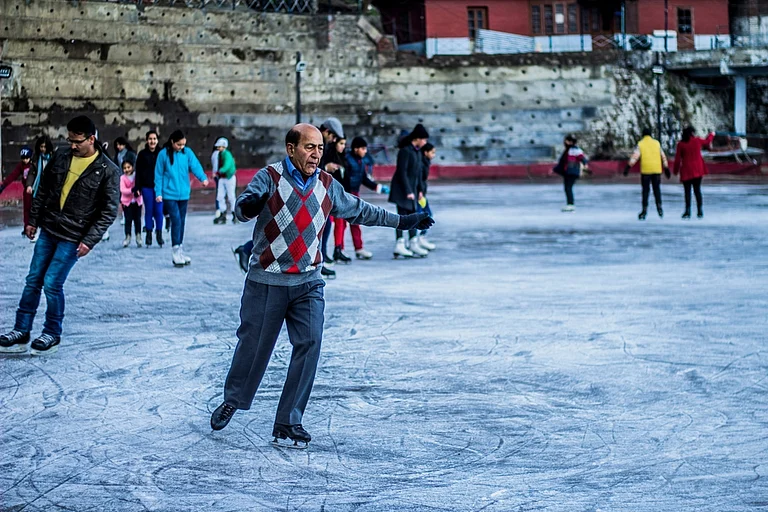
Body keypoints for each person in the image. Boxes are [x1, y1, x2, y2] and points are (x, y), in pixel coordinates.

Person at [209, 124, 434, 447]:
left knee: (310, 343)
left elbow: (360, 210)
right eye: (308, 147)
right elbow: (245, 207)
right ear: (291, 149)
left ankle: (288, 419)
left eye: (319, 148)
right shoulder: (270, 177)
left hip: (308, 282)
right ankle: (235, 398)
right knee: (254, 346)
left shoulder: (327, 185)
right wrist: (251, 205)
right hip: (266, 281)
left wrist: (403, 220)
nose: (316, 154)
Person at [0, 116, 120, 355]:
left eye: (77, 141)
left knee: (52, 283)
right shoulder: (62, 156)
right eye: (70, 140)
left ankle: (52, 332)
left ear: (91, 139)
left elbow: (109, 212)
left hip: (73, 236)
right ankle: (21, 329)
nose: (72, 145)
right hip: (50, 229)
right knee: (33, 279)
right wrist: (33, 221)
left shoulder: (107, 171)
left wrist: (89, 240)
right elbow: (43, 189)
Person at [154, 130, 209, 267]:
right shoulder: (163, 154)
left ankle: (180, 249)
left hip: (184, 193)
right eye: (179, 145)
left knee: (182, 221)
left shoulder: (187, 152)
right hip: (169, 194)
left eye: (183, 144)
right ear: (172, 142)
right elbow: (158, 174)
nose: (181, 147)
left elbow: (195, 165)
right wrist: (158, 192)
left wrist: (202, 177)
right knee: (176, 220)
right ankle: (175, 250)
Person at [337, 136, 390, 260]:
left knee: (356, 222)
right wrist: (344, 196)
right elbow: (343, 179)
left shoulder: (361, 161)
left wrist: (378, 187)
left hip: (355, 194)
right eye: (363, 148)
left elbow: (364, 179)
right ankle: (340, 249)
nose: (365, 151)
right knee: (342, 224)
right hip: (346, 195)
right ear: (356, 149)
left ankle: (359, 248)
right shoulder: (347, 160)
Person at [389, 123, 430, 258]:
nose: (425, 142)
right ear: (417, 138)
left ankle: (413, 241)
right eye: (424, 139)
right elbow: (402, 172)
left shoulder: (417, 152)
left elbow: (418, 174)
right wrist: (408, 191)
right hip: (402, 190)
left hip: (413, 189)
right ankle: (399, 243)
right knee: (402, 216)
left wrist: (419, 191)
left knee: (413, 215)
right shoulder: (405, 151)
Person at [624, 128, 671, 220]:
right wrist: (666, 168)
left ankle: (644, 210)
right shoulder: (657, 143)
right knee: (657, 189)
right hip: (657, 170)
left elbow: (635, 157)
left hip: (646, 170)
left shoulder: (641, 144)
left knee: (645, 191)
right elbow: (663, 156)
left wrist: (628, 167)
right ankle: (659, 207)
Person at [674, 126, 715, 219]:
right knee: (697, 190)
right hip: (697, 169)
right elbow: (707, 141)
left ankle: (687, 211)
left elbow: (677, 159)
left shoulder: (681, 144)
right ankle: (700, 210)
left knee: (687, 192)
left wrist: (675, 171)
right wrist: (711, 135)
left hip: (686, 170)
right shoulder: (697, 141)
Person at [135, 130, 163, 247]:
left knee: (159, 211)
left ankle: (159, 234)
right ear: (147, 140)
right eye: (150, 139)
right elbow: (139, 172)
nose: (152, 141)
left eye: (154, 139)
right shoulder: (142, 154)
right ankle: (149, 234)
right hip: (146, 187)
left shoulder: (162, 153)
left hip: (159, 187)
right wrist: (137, 187)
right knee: (149, 211)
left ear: (157, 140)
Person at [0, 146, 35, 233]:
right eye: (23, 158)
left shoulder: (34, 164)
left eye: (27, 158)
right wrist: (3, 185)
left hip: (36, 189)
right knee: (26, 209)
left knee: (36, 209)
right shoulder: (21, 166)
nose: (25, 160)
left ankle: (35, 226)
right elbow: (13, 175)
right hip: (27, 190)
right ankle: (27, 227)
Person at [552, 134, 589, 212]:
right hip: (568, 172)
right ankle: (570, 203)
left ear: (570, 142)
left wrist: (585, 165)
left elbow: (582, 158)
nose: (565, 142)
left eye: (567, 141)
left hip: (572, 171)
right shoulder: (567, 150)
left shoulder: (575, 150)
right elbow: (562, 163)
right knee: (567, 188)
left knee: (568, 187)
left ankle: (570, 204)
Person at [415, 142, 437, 251]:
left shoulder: (426, 162)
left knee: (427, 215)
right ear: (425, 152)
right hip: (419, 194)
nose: (434, 155)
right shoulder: (421, 163)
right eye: (432, 152)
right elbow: (419, 179)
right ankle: (417, 239)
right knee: (421, 216)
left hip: (422, 194)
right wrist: (419, 191)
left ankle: (421, 237)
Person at [212, 137, 238, 225]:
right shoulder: (219, 154)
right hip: (222, 178)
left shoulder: (227, 154)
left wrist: (219, 172)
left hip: (229, 178)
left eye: (220, 146)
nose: (218, 148)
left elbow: (227, 165)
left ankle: (234, 214)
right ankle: (222, 213)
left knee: (231, 196)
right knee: (220, 196)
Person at [120, 152, 143, 247]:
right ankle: (127, 236)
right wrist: (132, 190)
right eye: (125, 168)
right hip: (127, 203)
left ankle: (138, 236)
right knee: (128, 220)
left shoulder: (137, 176)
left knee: (137, 220)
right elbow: (123, 190)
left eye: (128, 167)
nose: (127, 170)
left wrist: (139, 191)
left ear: (133, 167)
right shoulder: (122, 178)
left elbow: (141, 185)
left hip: (137, 202)